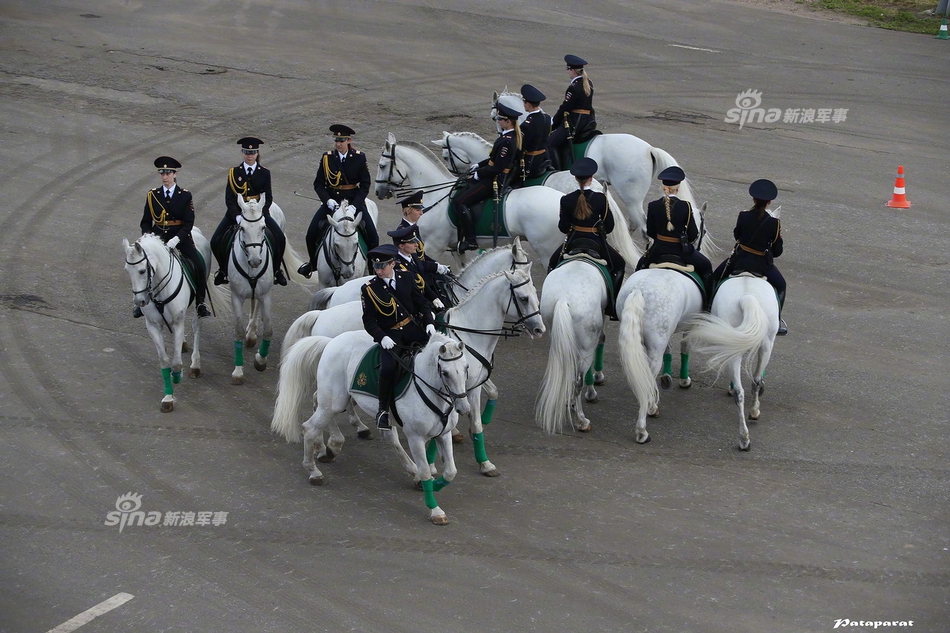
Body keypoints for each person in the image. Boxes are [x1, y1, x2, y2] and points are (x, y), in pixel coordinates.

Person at [360, 244, 437, 430]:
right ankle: (383, 411)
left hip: (413, 329)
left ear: (393, 263)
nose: (378, 270)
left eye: (382, 266)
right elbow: (369, 321)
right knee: (387, 368)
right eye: (376, 267)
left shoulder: (406, 277)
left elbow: (421, 302)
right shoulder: (369, 289)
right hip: (391, 335)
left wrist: (428, 321)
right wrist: (381, 336)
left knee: (439, 354)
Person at [548, 157, 626, 319]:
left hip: (572, 242)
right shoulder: (601, 199)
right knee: (619, 264)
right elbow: (609, 226)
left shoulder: (566, 199)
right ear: (591, 178)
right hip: (596, 243)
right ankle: (612, 307)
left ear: (576, 179)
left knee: (552, 264)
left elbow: (563, 227)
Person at [298, 124, 378, 278]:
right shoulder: (327, 157)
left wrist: (355, 206)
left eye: (341, 140)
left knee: (372, 235)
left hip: (353, 201)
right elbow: (319, 184)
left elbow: (365, 185)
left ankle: (372, 267)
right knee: (311, 233)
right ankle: (312, 264)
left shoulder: (359, 157)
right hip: (332, 202)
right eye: (336, 140)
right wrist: (327, 201)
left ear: (349, 140)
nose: (338, 144)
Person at [137, 157, 211, 319]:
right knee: (140, 265)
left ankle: (200, 302)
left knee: (198, 265)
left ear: (175, 174)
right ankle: (141, 302)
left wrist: (176, 239)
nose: (165, 177)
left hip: (180, 235)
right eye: (162, 173)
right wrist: (148, 238)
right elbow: (146, 222)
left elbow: (188, 222)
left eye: (168, 173)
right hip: (158, 235)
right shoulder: (152, 195)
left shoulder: (184, 195)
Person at [711, 178, 787, 335]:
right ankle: (777, 320)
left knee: (714, 278)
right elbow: (777, 251)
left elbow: (736, 236)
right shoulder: (774, 223)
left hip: (739, 260)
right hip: (762, 265)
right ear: (769, 202)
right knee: (781, 286)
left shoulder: (743, 215)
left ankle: (708, 309)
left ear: (753, 199)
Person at [210, 137, 288, 286]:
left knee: (280, 238)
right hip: (238, 212)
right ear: (243, 153)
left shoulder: (264, 173)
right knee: (215, 240)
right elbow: (229, 199)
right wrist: (237, 216)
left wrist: (261, 213)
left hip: (258, 213)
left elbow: (268, 197)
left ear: (257, 153)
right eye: (247, 152)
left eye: (252, 152)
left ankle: (277, 270)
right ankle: (223, 270)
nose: (249, 155)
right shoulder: (234, 172)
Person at [452, 101, 522, 253]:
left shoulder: (507, 142)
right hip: (491, 174)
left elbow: (497, 167)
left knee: (460, 202)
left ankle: (470, 241)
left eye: (500, 119)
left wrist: (479, 173)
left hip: (494, 180)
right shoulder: (508, 137)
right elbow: (493, 159)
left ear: (508, 121)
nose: (498, 121)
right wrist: (478, 165)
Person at [636, 166, 712, 297]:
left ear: (662, 187)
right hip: (681, 252)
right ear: (678, 188)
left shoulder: (653, 206)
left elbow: (651, 233)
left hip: (658, 251)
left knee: (639, 267)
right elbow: (693, 235)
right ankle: (707, 303)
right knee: (706, 267)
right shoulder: (686, 206)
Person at [388, 224, 452, 310]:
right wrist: (427, 309)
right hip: (411, 303)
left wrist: (434, 297)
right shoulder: (397, 265)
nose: (416, 245)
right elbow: (412, 291)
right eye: (412, 242)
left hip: (423, 296)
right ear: (401, 246)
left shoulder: (412, 256)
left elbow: (422, 280)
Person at [549, 54, 595, 171]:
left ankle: (557, 172)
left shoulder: (573, 87)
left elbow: (565, 107)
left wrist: (553, 121)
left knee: (550, 143)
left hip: (575, 122)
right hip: (586, 121)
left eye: (568, 69)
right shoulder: (588, 83)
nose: (568, 72)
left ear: (573, 71)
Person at [519, 84, 552, 179]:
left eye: (524, 102)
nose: (524, 104)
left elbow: (521, 147)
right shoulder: (547, 118)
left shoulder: (527, 125)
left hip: (531, 162)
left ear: (528, 105)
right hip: (544, 157)